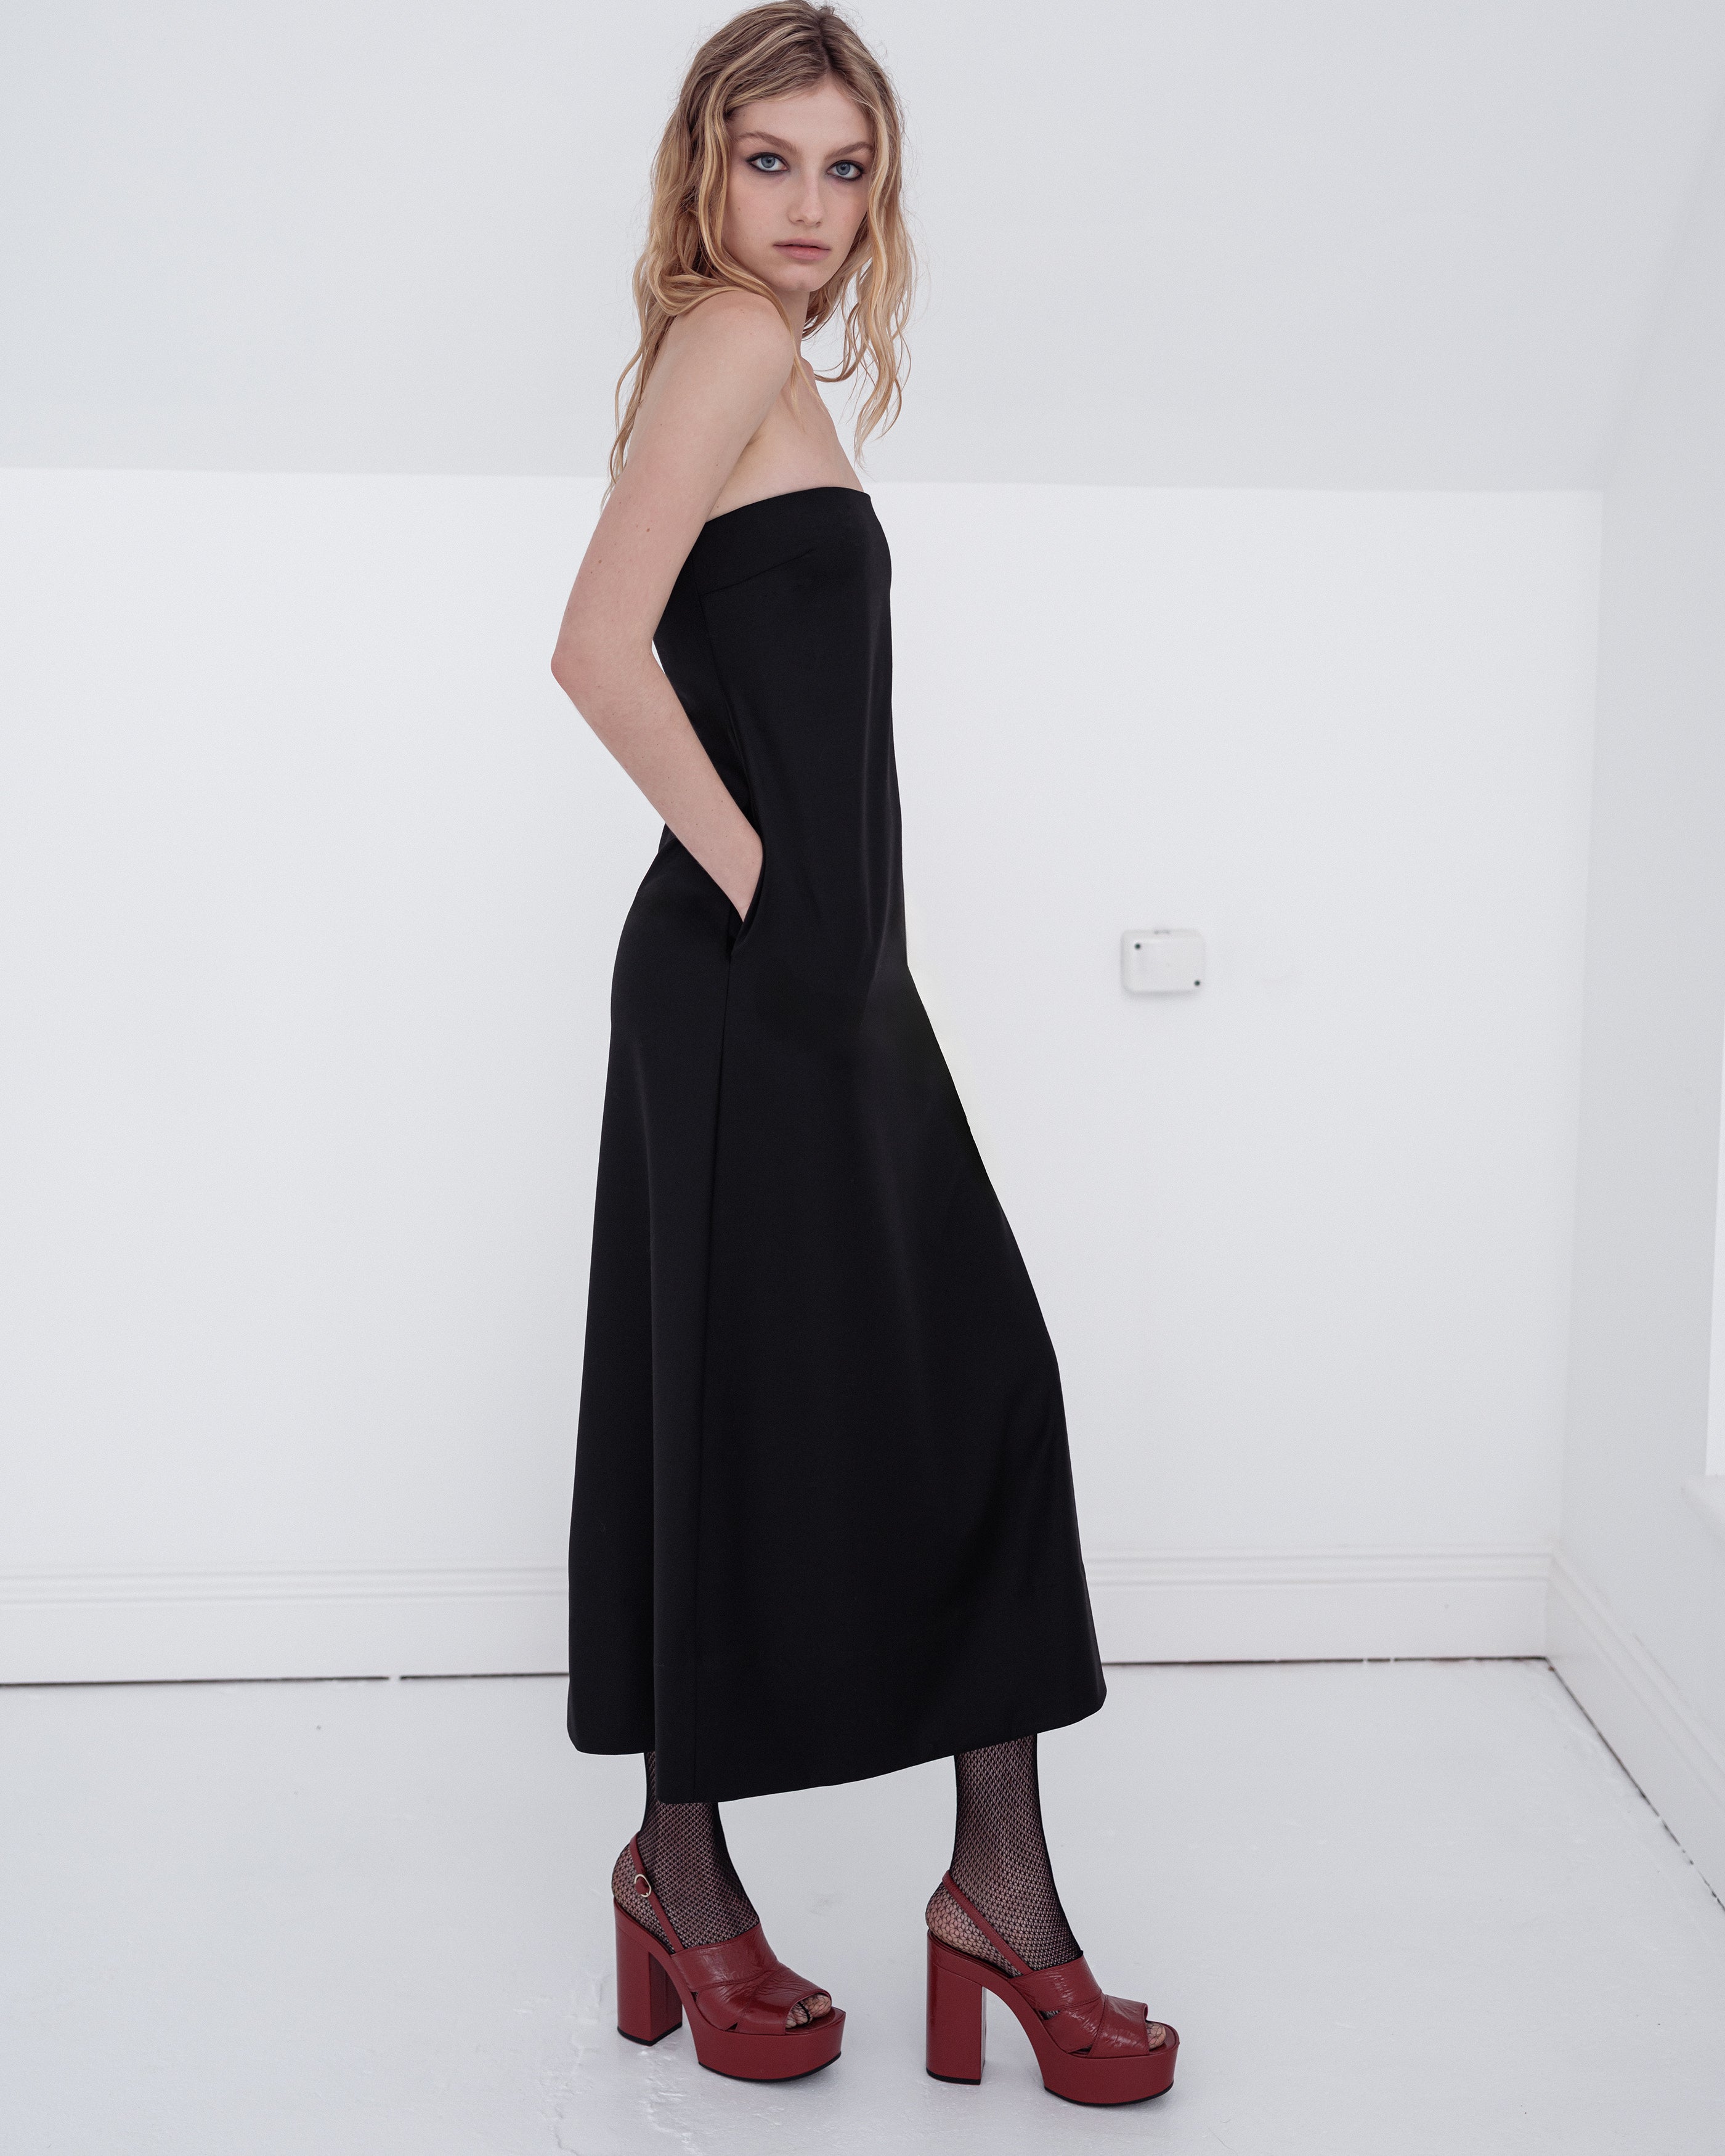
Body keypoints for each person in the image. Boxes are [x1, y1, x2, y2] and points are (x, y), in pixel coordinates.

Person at [550, 1, 1176, 2105]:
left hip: (824, 977)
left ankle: (991, 1887)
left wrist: (818, 920)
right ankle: (692, 1876)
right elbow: (593, 642)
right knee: (747, 1407)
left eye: (846, 168)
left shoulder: (766, 360)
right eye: (773, 161)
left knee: (967, 1377)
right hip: (755, 977)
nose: (811, 209)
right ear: (706, 171)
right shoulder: (726, 342)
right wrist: (766, 881)